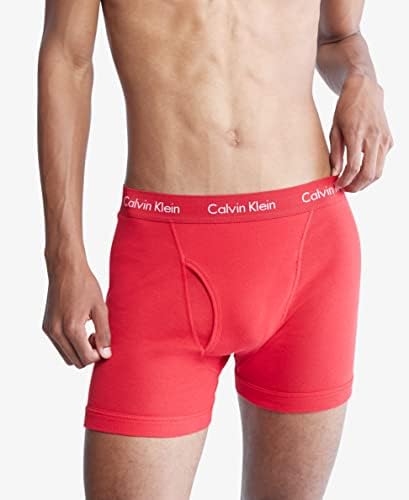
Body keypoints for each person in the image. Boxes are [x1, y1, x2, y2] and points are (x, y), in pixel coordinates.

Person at [37, 1, 393, 498]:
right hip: (163, 256)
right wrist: (64, 258)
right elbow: (68, 59)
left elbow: (338, 37)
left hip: (310, 250)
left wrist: (362, 79)